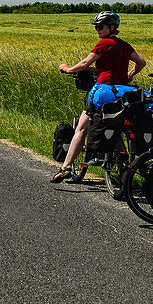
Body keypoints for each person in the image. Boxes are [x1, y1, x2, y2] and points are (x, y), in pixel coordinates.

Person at [51, 11, 147, 183]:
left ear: (111, 27)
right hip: (124, 92)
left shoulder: (104, 43)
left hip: (104, 90)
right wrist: (130, 75)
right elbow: (141, 62)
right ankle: (124, 177)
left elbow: (85, 64)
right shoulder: (125, 45)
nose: (97, 30)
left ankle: (65, 167)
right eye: (96, 27)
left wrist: (67, 69)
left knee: (81, 127)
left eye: (100, 26)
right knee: (117, 128)